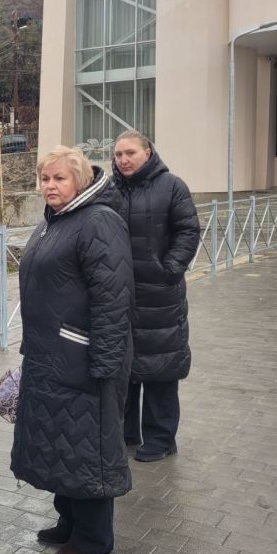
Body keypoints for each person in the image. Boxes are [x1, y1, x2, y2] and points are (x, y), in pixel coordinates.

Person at [11, 146, 134, 554]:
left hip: (82, 358)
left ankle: (94, 536)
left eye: (59, 178)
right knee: (60, 443)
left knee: (87, 446)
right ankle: (69, 520)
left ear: (79, 181)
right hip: (50, 355)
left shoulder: (98, 220)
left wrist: (104, 363)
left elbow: (113, 297)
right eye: (45, 178)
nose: (50, 185)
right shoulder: (56, 221)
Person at [112, 130, 200, 462]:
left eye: (130, 153)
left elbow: (188, 230)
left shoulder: (172, 186)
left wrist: (170, 269)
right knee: (124, 367)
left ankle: (162, 438)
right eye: (118, 154)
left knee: (160, 368)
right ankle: (126, 432)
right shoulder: (110, 189)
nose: (123, 160)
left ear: (147, 153)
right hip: (120, 294)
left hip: (160, 295)